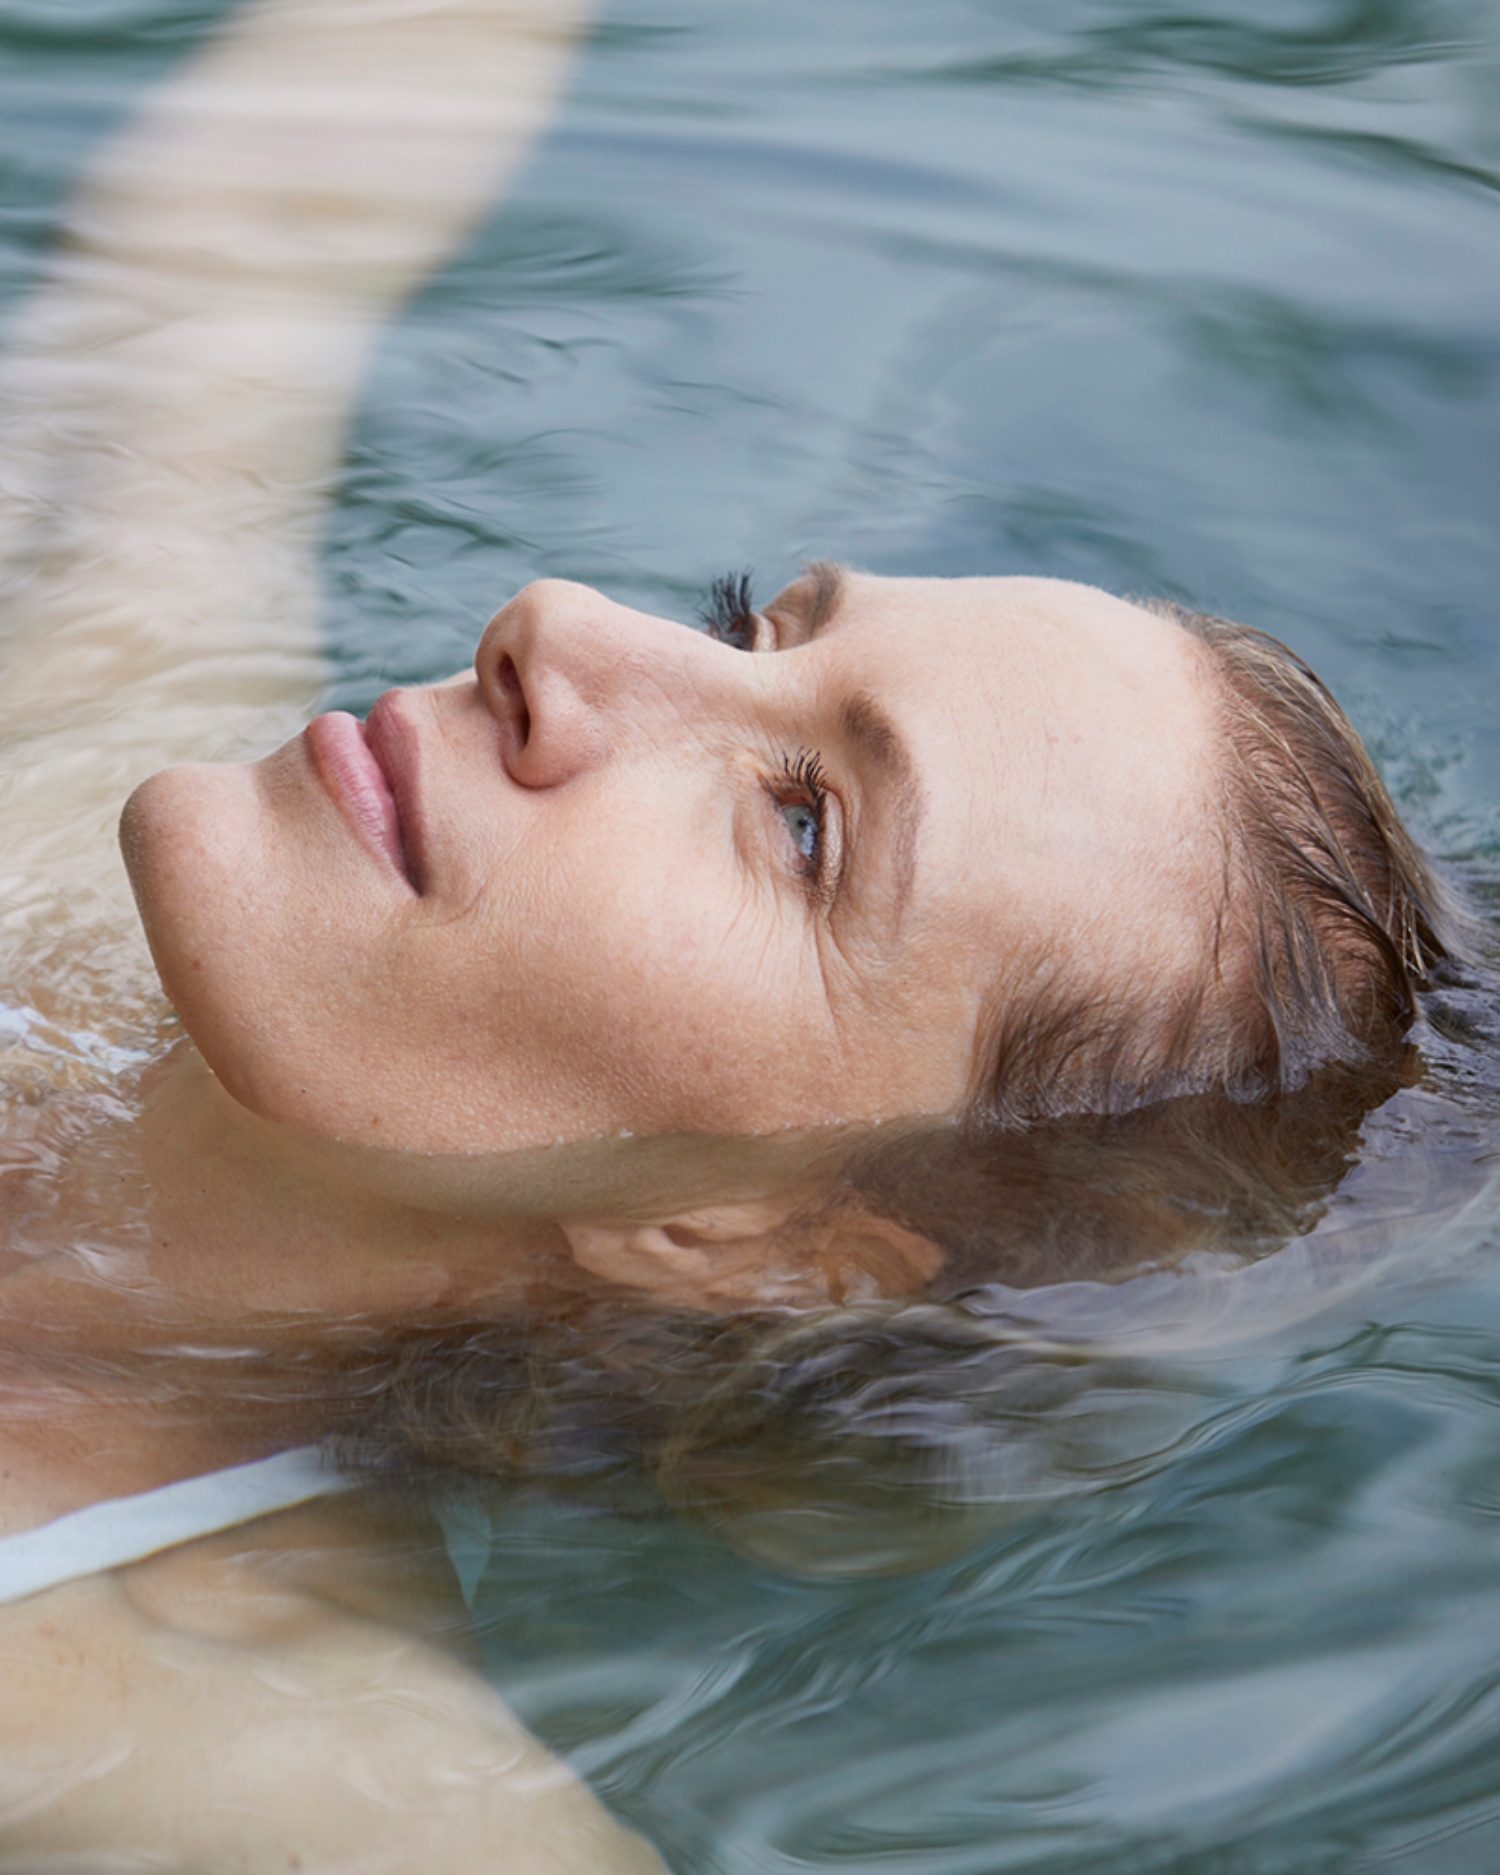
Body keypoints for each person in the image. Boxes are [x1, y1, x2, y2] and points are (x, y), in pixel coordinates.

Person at [0, 0, 1458, 1865]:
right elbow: (256, 226)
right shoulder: (80, 774)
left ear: (767, 1247)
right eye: (752, 627)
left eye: (798, 826)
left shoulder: (245, 1756)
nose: (562, 628)